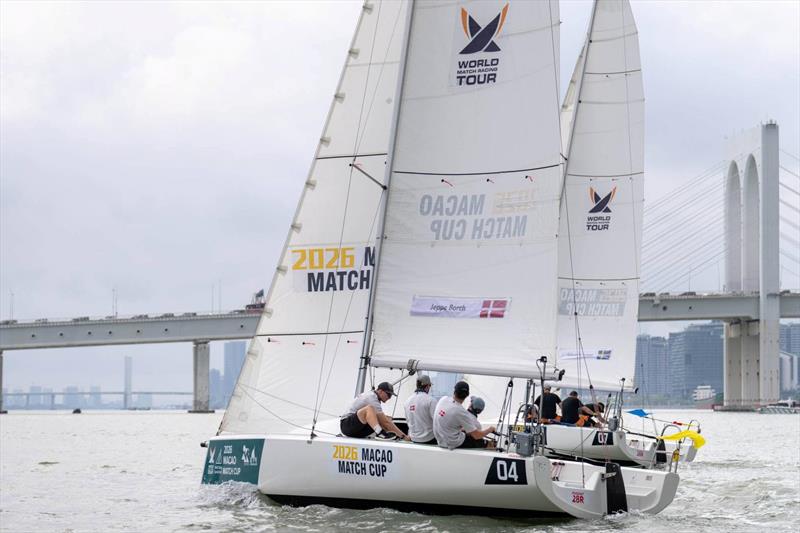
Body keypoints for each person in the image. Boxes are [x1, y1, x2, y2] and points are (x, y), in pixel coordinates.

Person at [433, 381, 495, 449]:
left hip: (439, 439)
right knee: (480, 441)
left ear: (454, 391)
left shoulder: (443, 399)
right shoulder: (461, 411)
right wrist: (490, 429)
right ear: (467, 395)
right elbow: (477, 436)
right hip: (450, 443)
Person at [340, 382, 410, 440]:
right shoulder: (371, 397)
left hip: (357, 429)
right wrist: (404, 437)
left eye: (391, 395)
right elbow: (385, 422)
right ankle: (380, 434)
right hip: (346, 425)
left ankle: (390, 436)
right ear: (380, 391)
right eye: (388, 394)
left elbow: (385, 421)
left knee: (387, 418)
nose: (389, 397)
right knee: (369, 409)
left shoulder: (374, 397)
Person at [403, 375, 437, 445]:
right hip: (429, 439)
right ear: (427, 386)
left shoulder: (407, 401)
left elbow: (408, 420)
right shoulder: (431, 400)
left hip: (413, 439)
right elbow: (437, 421)